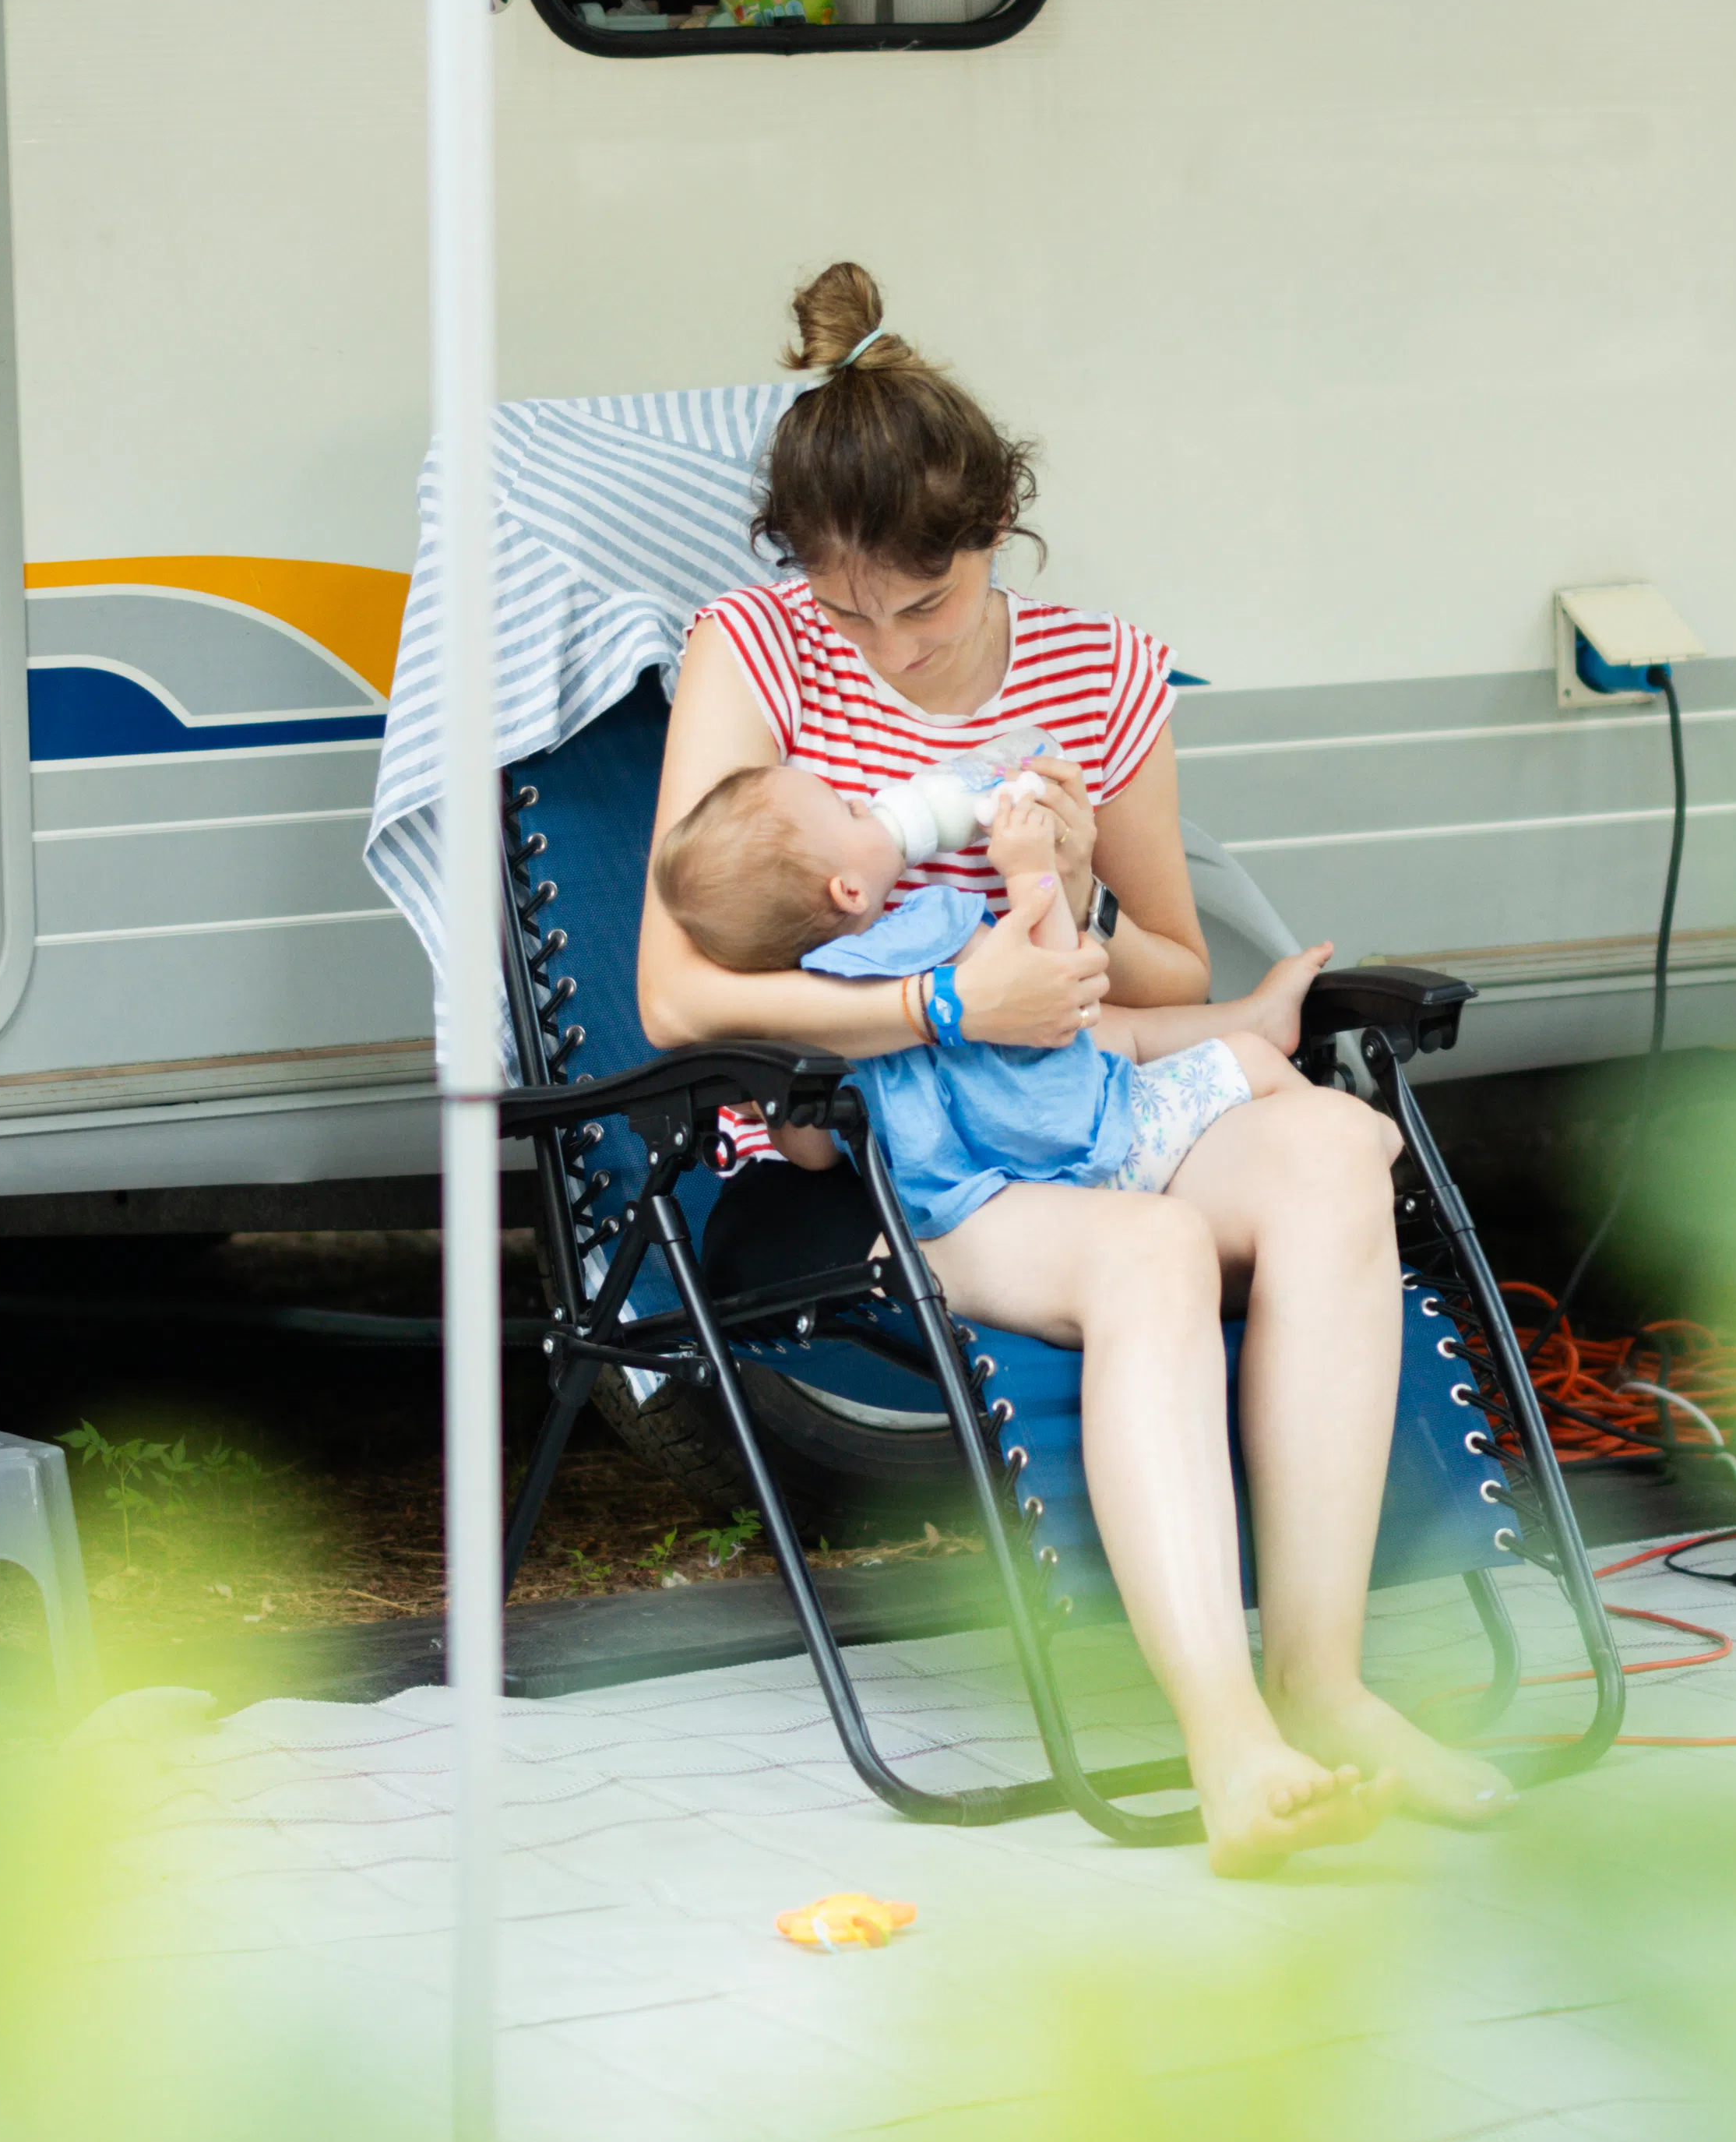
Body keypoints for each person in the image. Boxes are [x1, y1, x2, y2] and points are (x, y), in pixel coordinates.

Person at [633, 263, 1511, 1872]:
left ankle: (1324, 1680)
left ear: (996, 536)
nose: (886, 643)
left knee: (1328, 1148)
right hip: (928, 1137)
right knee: (1155, 1246)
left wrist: (1080, 874)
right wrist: (951, 1002)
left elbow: (1169, 960)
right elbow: (677, 985)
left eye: (928, 598)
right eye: (851, 602)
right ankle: (1228, 1744)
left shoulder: (1106, 675)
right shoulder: (751, 650)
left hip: (1093, 1079)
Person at [653, 749, 1325, 1226]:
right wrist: (1032, 868)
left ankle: (1254, 1017)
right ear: (849, 889)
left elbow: (816, 1154)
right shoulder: (933, 924)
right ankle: (1358, 1152)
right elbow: (1061, 990)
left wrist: (772, 1107)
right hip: (1098, 1148)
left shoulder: (823, 1019)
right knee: (1252, 1068)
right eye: (848, 810)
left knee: (1129, 1035)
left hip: (999, 1207)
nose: (867, 802)